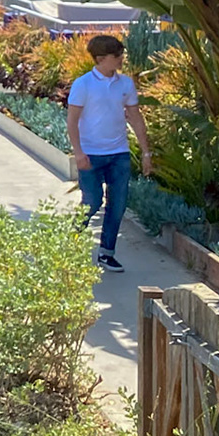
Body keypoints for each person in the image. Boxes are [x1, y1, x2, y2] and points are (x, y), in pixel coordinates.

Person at [67, 33, 152, 273]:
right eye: (117, 56)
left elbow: (135, 117)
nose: (121, 59)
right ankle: (68, 241)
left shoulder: (125, 83)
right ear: (101, 59)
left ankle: (106, 253)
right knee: (92, 203)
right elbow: (72, 121)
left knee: (118, 205)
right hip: (91, 155)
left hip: (119, 154)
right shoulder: (83, 84)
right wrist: (78, 153)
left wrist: (146, 152)